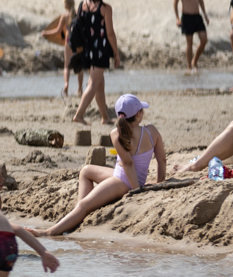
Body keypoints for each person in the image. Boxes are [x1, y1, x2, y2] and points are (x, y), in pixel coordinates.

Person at [32, 94, 165, 237]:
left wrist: (136, 190)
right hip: (128, 178)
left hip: (124, 182)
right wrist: (159, 181)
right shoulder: (152, 131)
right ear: (139, 114)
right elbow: (162, 160)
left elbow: (128, 163)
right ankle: (78, 214)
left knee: (84, 206)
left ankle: (49, 231)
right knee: (85, 171)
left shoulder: (116, 133)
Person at [72, 0, 122, 124]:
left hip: (86, 51)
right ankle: (79, 115)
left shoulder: (81, 6)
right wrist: (116, 53)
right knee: (93, 84)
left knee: (99, 83)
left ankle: (105, 117)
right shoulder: (105, 8)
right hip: (100, 50)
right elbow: (110, 33)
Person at [43, 0, 83, 98]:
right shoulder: (79, 15)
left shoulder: (64, 16)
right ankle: (79, 89)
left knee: (67, 66)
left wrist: (45, 33)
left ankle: (66, 85)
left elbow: (57, 31)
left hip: (68, 41)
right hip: (78, 41)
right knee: (79, 65)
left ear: (66, 6)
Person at [173, 0, 209, 73]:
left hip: (197, 16)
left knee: (204, 39)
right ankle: (189, 66)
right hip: (187, 17)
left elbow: (200, 0)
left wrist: (205, 14)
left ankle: (195, 61)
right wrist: (177, 18)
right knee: (190, 42)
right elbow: (175, 3)